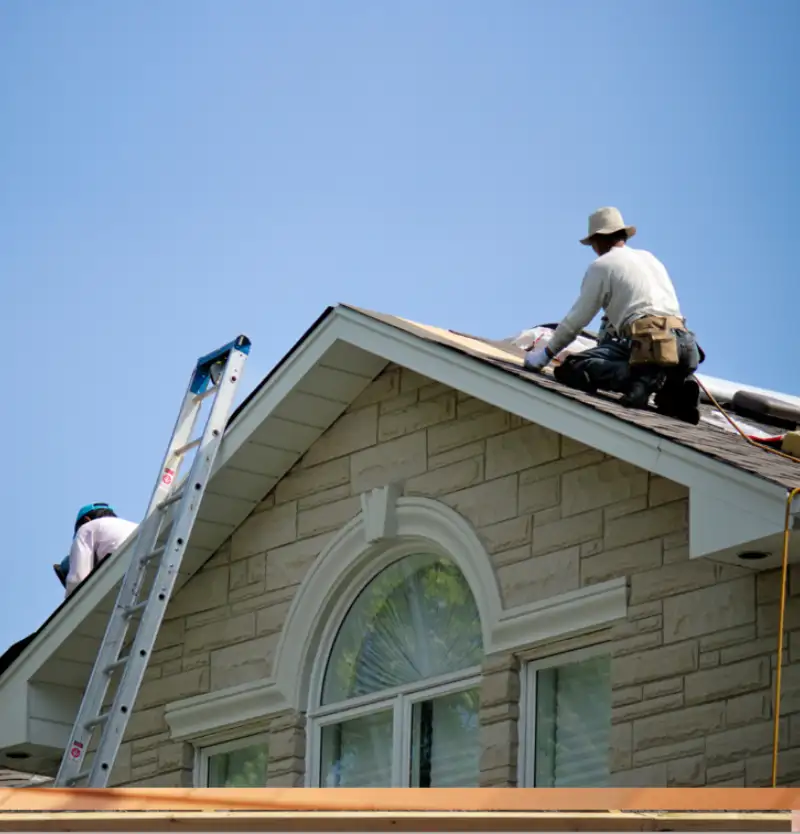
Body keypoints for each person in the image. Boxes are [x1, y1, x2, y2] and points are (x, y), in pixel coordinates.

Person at [523, 207, 703, 424]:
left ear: (598, 240)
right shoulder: (649, 258)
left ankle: (638, 379)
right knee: (662, 392)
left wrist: (544, 356)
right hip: (684, 346)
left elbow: (576, 321)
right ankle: (675, 387)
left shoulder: (603, 266)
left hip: (647, 345)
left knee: (574, 367)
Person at [54, 503, 138, 598]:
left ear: (86, 520)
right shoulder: (131, 525)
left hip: (123, 571)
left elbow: (77, 579)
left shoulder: (86, 527)